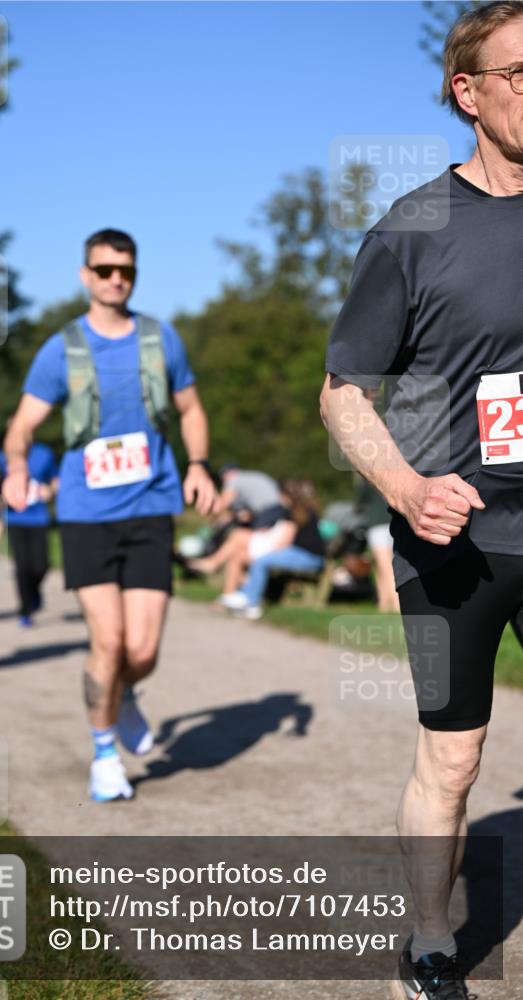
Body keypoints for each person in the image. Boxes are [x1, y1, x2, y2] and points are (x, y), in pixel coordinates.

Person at [320, 4, 523, 997]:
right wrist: (403, 487)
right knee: (454, 758)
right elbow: (341, 391)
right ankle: (431, 939)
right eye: (522, 73)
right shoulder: (413, 229)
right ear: (467, 93)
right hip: (457, 536)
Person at [2, 228, 216, 802]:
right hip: (85, 512)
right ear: (85, 275)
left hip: (151, 505)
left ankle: (123, 698)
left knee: (142, 651)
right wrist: (16, 466)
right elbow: (22, 427)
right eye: (104, 270)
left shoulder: (160, 339)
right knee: (110, 640)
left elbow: (191, 409)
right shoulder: (62, 349)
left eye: (126, 270)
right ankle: (103, 755)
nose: (116, 279)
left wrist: (199, 465)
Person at [220, 479, 326, 619]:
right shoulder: (304, 511)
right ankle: (244, 595)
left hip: (308, 557)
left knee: (261, 561)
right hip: (308, 555)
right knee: (259, 560)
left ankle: (251, 604)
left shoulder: (293, 512)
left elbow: (285, 541)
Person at [188, 465, 292, 595]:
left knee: (240, 538)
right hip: (275, 514)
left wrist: (209, 514)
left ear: (227, 475)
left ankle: (215, 564)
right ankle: (237, 587)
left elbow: (223, 504)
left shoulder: (234, 481)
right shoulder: (252, 477)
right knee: (240, 548)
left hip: (269, 513)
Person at [0, 438, 59, 627]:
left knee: (42, 565)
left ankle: (34, 593)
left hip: (39, 518)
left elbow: (55, 480)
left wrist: (50, 490)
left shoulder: (44, 453)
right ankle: (25, 610)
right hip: (14, 519)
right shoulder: (2, 456)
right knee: (22, 567)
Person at [354, 474, 399, 613]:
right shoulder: (394, 478)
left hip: (377, 527)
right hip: (394, 524)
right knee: (380, 567)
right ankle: (383, 604)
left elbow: (359, 504)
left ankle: (397, 604)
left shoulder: (368, 479)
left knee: (386, 568)